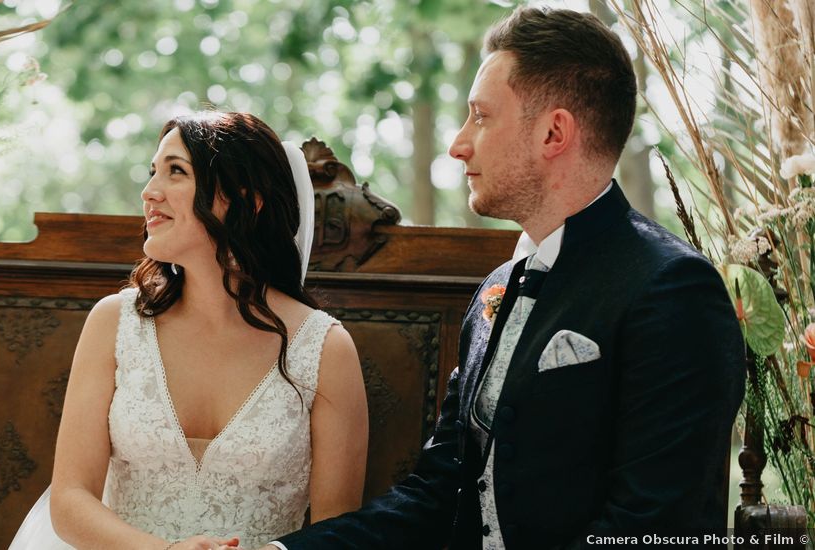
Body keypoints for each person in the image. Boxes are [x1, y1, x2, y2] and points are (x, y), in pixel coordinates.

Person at [265, 7, 745, 550]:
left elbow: (652, 527)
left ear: (553, 132)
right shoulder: (497, 287)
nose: (458, 143)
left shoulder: (673, 289)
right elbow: (438, 492)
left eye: (481, 116)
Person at [9, 112, 369, 550]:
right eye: (152, 171)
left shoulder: (325, 349)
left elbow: (337, 534)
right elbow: (69, 500)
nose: (149, 192)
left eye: (176, 171)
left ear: (244, 199)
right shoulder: (115, 322)